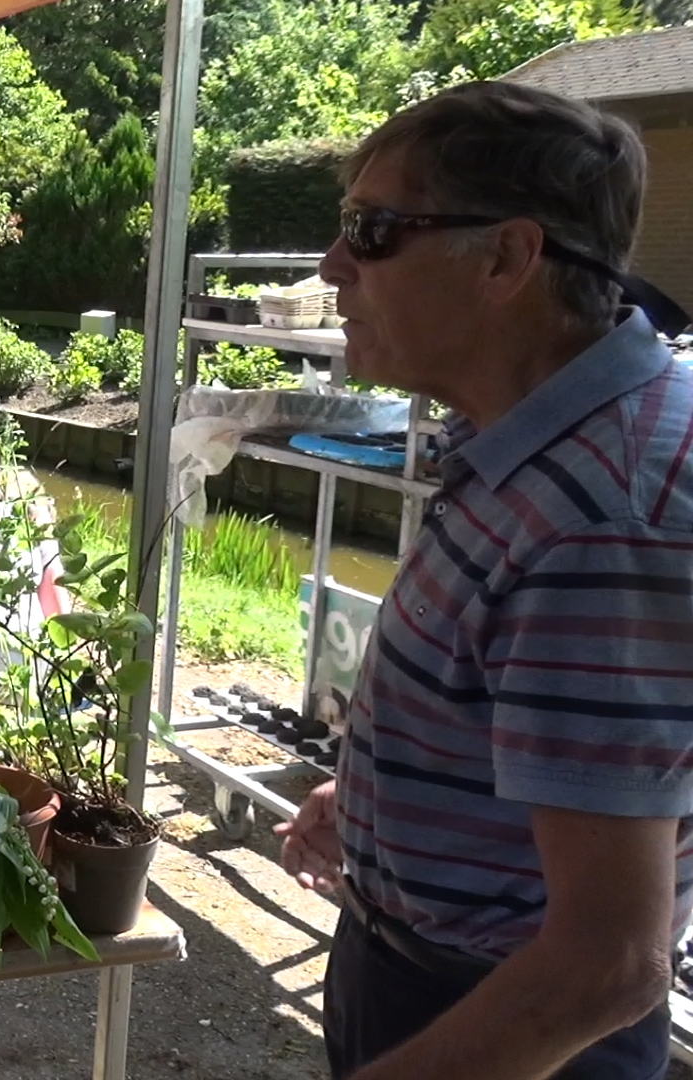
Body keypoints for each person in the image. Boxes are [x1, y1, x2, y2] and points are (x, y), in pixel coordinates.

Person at [278, 81, 693, 1080]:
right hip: (430, 967)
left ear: (508, 257)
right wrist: (387, 801)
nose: (334, 268)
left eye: (372, 232)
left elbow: (606, 965)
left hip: (510, 1025)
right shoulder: (549, 439)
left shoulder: (605, 520)